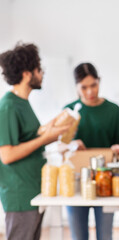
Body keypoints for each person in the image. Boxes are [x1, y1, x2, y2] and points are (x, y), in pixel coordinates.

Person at [0, 43, 70, 240]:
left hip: (33, 191)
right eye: (39, 69)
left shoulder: (22, 103)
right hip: (19, 196)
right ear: (27, 74)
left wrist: (50, 127)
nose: (42, 74)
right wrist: (46, 138)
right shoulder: (8, 107)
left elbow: (28, 137)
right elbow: (7, 155)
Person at [65, 62, 119, 240]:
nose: (89, 92)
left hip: (106, 181)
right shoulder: (69, 112)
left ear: (99, 81)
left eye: (93, 85)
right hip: (78, 182)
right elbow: (59, 146)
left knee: (105, 235)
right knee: (78, 236)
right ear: (77, 87)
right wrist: (71, 145)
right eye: (84, 87)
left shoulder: (113, 111)